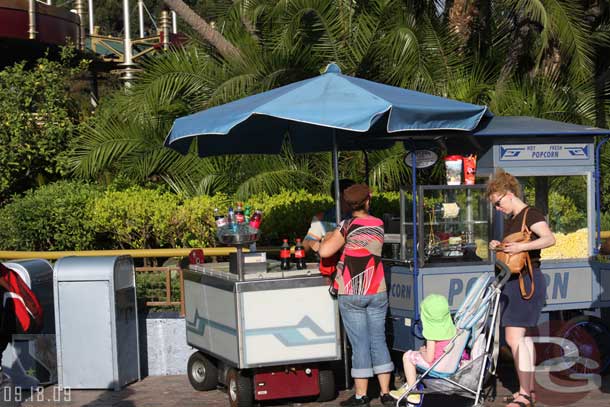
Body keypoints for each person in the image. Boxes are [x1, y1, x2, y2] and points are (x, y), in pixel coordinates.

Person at [319, 183, 394, 407]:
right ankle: (385, 393)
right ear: (368, 200)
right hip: (377, 289)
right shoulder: (379, 224)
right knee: (378, 340)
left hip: (352, 291)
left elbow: (325, 251)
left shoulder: (347, 225)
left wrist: (330, 235)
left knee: (360, 343)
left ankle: (361, 397)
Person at [487, 169, 555, 407]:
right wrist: (501, 246)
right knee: (521, 339)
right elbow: (516, 246)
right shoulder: (513, 220)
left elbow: (549, 238)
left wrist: (519, 249)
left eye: (497, 203)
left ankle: (525, 395)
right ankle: (528, 391)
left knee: (514, 337)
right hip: (516, 282)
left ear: (507, 194)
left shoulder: (530, 214)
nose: (497, 209)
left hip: (527, 281)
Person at [389, 294, 459, 403]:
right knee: (415, 355)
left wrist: (422, 352)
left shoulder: (432, 334)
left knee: (408, 356)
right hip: (449, 363)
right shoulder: (452, 330)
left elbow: (429, 358)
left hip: (436, 365)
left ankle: (413, 392)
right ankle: (409, 386)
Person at [303, 179, 355, 254]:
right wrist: (323, 248)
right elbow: (308, 243)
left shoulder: (361, 215)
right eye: (353, 192)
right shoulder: (323, 218)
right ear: (341, 195)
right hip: (331, 263)